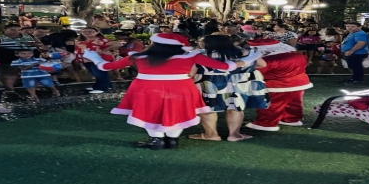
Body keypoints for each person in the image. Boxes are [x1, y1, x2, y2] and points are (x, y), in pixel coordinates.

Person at [83, 33, 258, 150]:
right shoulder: (191, 55)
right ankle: (172, 140)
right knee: (177, 112)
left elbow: (105, 66)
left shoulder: (138, 56)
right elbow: (226, 67)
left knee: (149, 112)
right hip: (181, 88)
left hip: (146, 89)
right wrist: (251, 58)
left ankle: (157, 140)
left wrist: (93, 56)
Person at [190, 35, 268, 142]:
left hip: (210, 83)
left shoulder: (201, 54)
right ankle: (234, 134)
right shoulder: (246, 52)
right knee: (235, 107)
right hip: (239, 82)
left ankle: (211, 134)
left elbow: (191, 72)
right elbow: (262, 64)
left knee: (208, 109)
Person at [244, 38, 313, 131]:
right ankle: (291, 119)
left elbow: (257, 72)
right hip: (299, 83)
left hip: (277, 85)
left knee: (273, 105)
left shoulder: (268, 59)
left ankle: (266, 123)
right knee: (294, 102)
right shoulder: (298, 55)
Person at [0, 24, 41, 92]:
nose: (16, 32)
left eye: (19, 30)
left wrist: (34, 45)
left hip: (30, 60)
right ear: (5, 30)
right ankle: (10, 91)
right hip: (9, 60)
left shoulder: (30, 37)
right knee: (9, 76)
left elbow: (41, 45)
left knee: (34, 75)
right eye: (12, 30)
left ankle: (33, 90)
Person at [76, 27, 121, 94]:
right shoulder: (82, 41)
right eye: (84, 31)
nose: (87, 33)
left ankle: (102, 87)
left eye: (90, 31)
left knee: (100, 73)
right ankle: (105, 85)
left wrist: (104, 50)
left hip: (98, 59)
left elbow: (118, 44)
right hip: (86, 60)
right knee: (95, 73)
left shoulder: (101, 40)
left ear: (97, 32)